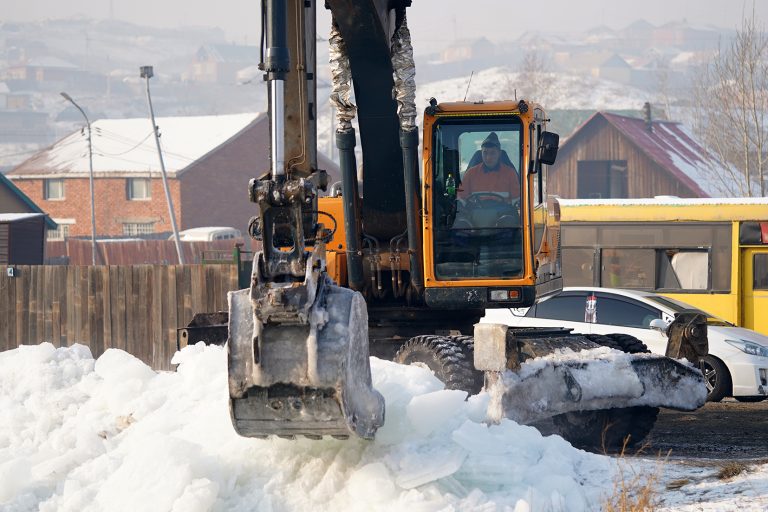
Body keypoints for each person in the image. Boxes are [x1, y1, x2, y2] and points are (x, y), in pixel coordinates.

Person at [458, 131, 520, 201]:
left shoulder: (510, 174)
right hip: (476, 212)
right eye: (485, 153)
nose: (488, 157)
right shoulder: (470, 173)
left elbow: (517, 201)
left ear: (499, 153)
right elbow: (461, 199)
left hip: (504, 212)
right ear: (481, 153)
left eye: (492, 153)